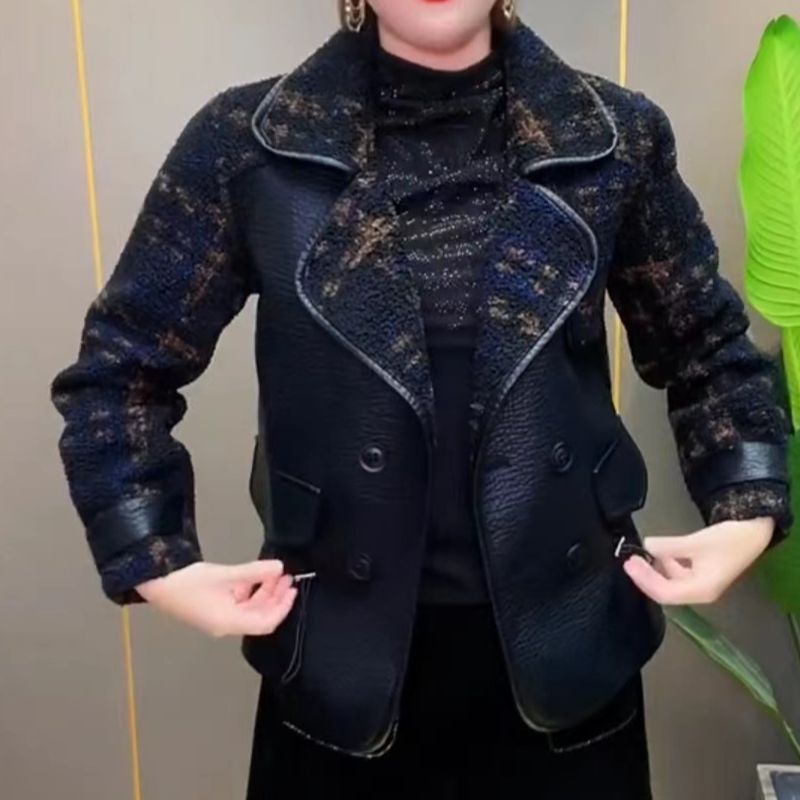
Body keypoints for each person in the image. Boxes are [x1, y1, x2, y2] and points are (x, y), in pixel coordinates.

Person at [50, 0, 792, 797]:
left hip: (571, 660)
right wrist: (155, 559)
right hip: (338, 669)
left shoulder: (614, 138)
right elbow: (120, 371)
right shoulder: (249, 144)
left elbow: (706, 345)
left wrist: (747, 505)